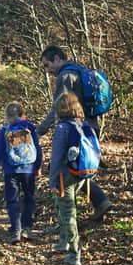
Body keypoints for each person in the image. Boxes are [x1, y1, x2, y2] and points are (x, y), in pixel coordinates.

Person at [37, 45, 112, 221]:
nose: (48, 71)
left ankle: (70, 219)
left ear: (57, 59)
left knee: (70, 170)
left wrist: (39, 130)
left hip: (74, 130)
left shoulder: (65, 76)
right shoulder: (79, 70)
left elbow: (58, 107)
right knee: (82, 166)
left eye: (47, 65)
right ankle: (99, 203)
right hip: (90, 126)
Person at [49, 92, 96, 265]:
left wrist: (52, 181)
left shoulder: (62, 128)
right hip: (82, 174)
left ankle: (74, 253)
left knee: (68, 213)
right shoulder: (84, 125)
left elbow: (56, 157)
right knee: (66, 207)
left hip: (65, 176)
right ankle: (64, 242)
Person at [0, 102, 42, 244]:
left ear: (7, 116)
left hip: (10, 170)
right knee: (29, 197)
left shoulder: (5, 130)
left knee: (12, 199)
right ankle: (26, 227)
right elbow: (37, 148)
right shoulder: (29, 128)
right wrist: (38, 166)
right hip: (28, 170)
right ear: (22, 113)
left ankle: (16, 230)